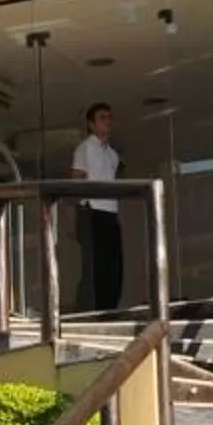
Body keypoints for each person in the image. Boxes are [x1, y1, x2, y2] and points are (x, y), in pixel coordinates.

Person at [71, 100, 125, 314]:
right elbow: (76, 181)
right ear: (92, 124)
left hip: (111, 212)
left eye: (110, 117)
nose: (108, 122)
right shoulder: (85, 148)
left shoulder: (113, 154)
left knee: (115, 266)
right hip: (92, 211)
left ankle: (110, 309)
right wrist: (77, 217)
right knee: (95, 268)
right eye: (102, 118)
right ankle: (92, 312)